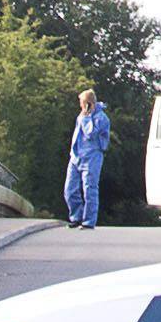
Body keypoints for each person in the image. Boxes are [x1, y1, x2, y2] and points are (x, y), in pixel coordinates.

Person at [64, 87, 112, 231]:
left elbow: (90, 133)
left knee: (89, 189)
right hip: (76, 157)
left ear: (88, 103)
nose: (80, 106)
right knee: (70, 189)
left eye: (82, 103)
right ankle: (76, 217)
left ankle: (88, 221)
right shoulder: (81, 116)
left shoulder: (101, 118)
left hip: (92, 156)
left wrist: (87, 116)